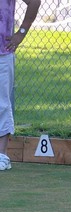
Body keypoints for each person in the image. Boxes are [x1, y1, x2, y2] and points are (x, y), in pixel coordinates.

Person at [0, 0, 40, 170]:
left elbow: (34, 2)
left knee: (2, 104)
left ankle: (2, 155)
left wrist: (21, 33)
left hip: (3, 53)